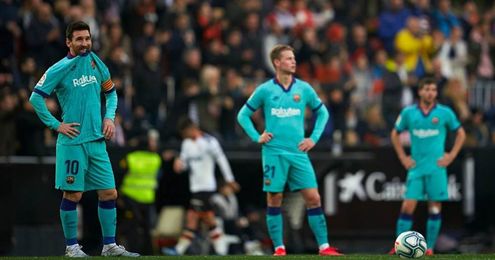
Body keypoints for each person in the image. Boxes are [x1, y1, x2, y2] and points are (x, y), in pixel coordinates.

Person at [29, 21, 138, 257]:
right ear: (69, 42)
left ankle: (109, 246)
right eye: (79, 39)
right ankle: (71, 248)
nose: (84, 43)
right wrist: (56, 125)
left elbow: (110, 92)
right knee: (73, 195)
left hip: (97, 142)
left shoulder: (96, 62)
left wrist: (109, 118)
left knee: (109, 193)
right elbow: (35, 98)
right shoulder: (59, 68)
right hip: (72, 143)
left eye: (87, 38)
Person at [237, 44, 342, 256]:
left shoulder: (304, 88)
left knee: (313, 198)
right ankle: (279, 248)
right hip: (274, 152)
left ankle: (324, 247)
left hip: (298, 153)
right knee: (274, 199)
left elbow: (323, 114)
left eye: (293, 58)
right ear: (276, 62)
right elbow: (242, 115)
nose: (293, 61)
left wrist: (313, 138)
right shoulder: (266, 89)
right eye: (288, 58)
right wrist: (257, 136)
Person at [389, 77, 465, 255]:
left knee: (434, 206)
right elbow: (395, 134)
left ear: (436, 93)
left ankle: (429, 248)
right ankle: (398, 246)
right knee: (407, 206)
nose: (430, 92)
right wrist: (403, 157)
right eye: (427, 89)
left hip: (436, 168)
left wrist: (451, 155)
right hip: (416, 168)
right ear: (420, 92)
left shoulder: (445, 112)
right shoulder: (409, 112)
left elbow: (460, 133)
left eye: (433, 89)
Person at [163, 117, 240, 256]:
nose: (183, 137)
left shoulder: (210, 142)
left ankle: (180, 250)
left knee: (196, 217)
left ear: (191, 128)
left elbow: (222, 160)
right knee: (203, 218)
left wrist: (230, 180)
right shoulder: (186, 143)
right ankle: (220, 249)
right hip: (195, 188)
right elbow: (185, 163)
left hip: (206, 187)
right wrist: (179, 164)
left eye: (184, 133)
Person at [118, 129, 162, 255]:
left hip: (130, 197)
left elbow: (120, 176)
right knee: (147, 228)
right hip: (148, 198)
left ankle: (132, 250)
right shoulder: (156, 159)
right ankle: (149, 253)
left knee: (132, 226)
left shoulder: (130, 158)